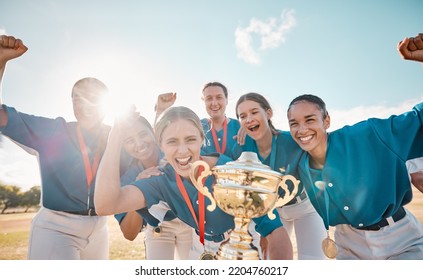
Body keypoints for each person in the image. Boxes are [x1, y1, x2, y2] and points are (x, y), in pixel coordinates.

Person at [94, 106, 294, 259]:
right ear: (161, 144)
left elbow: (276, 232)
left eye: (190, 139)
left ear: (201, 139)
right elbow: (105, 205)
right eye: (172, 142)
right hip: (200, 245)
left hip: (244, 242)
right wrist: (114, 138)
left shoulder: (234, 172)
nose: (182, 151)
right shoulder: (159, 180)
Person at [0, 35, 110, 259]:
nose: (84, 104)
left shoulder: (115, 136)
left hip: (100, 227)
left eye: (92, 98)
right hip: (56, 228)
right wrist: (0, 62)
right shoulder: (52, 131)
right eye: (77, 98)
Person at [232, 92, 327, 260]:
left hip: (304, 207)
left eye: (254, 112)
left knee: (312, 261)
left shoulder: (292, 140)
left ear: (268, 113)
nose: (248, 119)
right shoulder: (240, 149)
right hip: (272, 211)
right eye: (243, 116)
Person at [114, 113, 193, 259]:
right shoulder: (128, 176)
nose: (138, 143)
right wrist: (137, 188)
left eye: (143, 134)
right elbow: (129, 234)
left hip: (190, 223)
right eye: (130, 140)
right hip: (158, 228)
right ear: (123, 146)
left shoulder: (174, 152)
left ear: (153, 132)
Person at [200, 82, 245, 156]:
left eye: (219, 97)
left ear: (226, 100)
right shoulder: (196, 127)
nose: (214, 103)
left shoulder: (239, 126)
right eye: (209, 98)